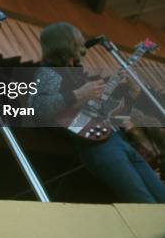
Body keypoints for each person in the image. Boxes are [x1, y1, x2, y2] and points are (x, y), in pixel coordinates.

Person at [31, 22, 165, 203]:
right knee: (144, 201)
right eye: (77, 39)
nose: (82, 42)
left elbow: (114, 114)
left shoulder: (76, 73)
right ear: (65, 42)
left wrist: (130, 93)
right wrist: (78, 94)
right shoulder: (47, 72)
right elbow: (38, 108)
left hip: (117, 138)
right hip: (96, 146)